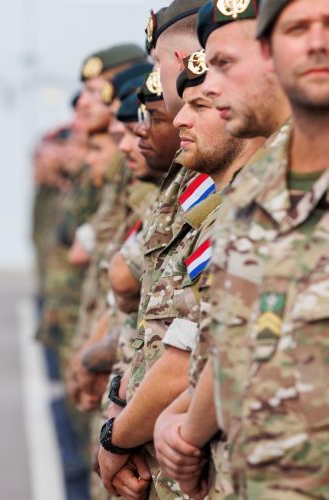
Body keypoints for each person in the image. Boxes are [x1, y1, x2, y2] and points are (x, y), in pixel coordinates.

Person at [155, 0, 329, 498]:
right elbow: (228, 346)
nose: (208, 86)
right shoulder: (251, 193)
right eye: (298, 29)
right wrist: (181, 428)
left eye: (225, 65)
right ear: (273, 53)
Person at [98, 48, 264, 499]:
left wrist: (123, 435)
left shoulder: (249, 207)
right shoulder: (213, 197)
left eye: (202, 106)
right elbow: (194, 338)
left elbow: (191, 356)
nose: (179, 120)